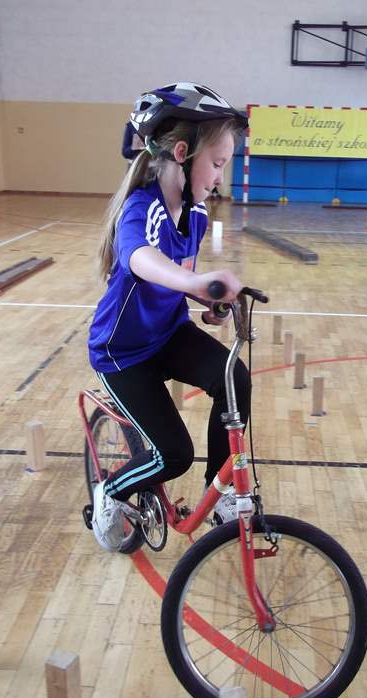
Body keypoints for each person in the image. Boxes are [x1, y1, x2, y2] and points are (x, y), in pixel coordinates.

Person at [88, 82, 250, 552]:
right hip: (123, 353)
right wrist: (196, 284)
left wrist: (209, 303)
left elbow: (177, 277)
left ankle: (219, 496)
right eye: (217, 163)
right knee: (173, 455)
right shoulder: (142, 207)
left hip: (168, 333)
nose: (220, 177)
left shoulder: (195, 215)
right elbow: (140, 258)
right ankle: (111, 490)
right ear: (182, 153)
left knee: (234, 379)